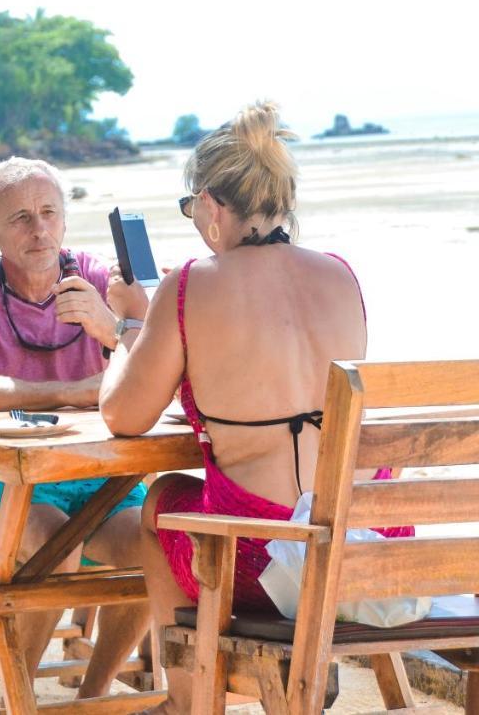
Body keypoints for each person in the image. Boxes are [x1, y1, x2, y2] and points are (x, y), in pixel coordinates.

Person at [98, 101, 410, 712]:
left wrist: (125, 330)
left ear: (212, 205)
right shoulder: (342, 275)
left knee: (162, 502)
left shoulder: (190, 284)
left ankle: (189, 700)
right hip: (368, 542)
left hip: (262, 562)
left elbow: (123, 417)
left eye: (192, 210)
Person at [0, 156, 149, 697]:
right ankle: (20, 697)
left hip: (102, 476)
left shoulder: (101, 279)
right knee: (57, 548)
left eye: (50, 212)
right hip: (1, 479)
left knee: (161, 550)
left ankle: (92, 694)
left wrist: (116, 325)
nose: (40, 229)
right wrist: (74, 395)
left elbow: (163, 362)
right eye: (22, 218)